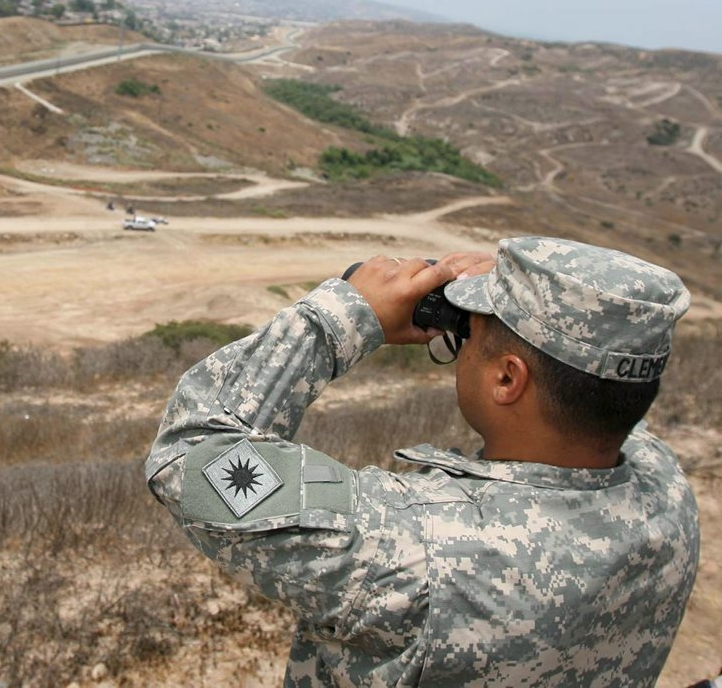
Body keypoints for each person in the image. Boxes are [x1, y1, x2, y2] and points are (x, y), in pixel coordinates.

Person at [147, 236, 700, 687]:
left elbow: (189, 456)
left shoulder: (413, 549)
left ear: (507, 378)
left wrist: (341, 318)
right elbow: (601, 390)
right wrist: (524, 306)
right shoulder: (664, 489)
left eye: (471, 331)